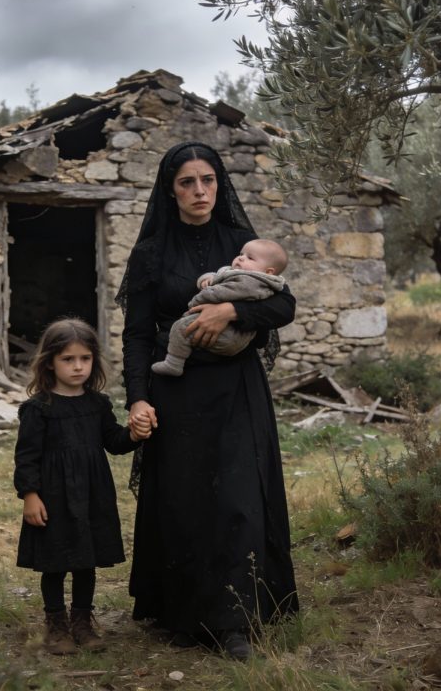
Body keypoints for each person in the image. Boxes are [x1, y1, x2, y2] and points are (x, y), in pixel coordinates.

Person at [117, 141, 299, 661]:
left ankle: (235, 621)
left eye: (209, 181)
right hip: (176, 391)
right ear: (169, 188)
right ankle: (185, 615)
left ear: (220, 184)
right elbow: (135, 333)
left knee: (238, 499)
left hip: (236, 390)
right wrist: (136, 398)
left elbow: (283, 304)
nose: (200, 191)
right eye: (187, 182)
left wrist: (231, 316)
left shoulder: (242, 241)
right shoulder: (152, 251)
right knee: (182, 502)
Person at [13, 317, 151, 655]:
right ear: (49, 362)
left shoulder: (97, 404)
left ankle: (82, 622)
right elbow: (26, 457)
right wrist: (30, 496)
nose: (78, 367)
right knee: (55, 561)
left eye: (85, 359)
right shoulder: (38, 409)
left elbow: (113, 441)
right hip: (53, 496)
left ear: (94, 360)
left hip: (91, 494)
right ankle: (56, 625)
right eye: (68, 359)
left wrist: (134, 434)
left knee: (85, 560)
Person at [151, 238, 289, 376]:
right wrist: (206, 280)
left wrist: (198, 301)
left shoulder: (250, 282)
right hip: (232, 342)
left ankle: (174, 363)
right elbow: (220, 275)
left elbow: (221, 293)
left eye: (250, 258)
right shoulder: (241, 274)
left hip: (231, 335)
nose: (240, 258)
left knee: (180, 328)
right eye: (241, 254)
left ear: (269, 271)